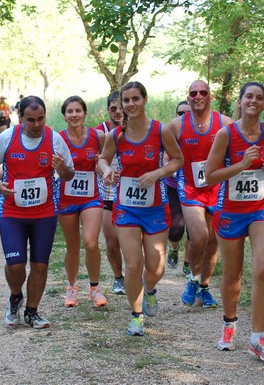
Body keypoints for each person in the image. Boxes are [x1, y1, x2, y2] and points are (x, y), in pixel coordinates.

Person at [205, 82, 264, 361]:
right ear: (240, 102)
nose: (253, 101)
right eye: (248, 97)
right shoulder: (225, 134)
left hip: (263, 207)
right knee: (232, 275)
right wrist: (241, 164)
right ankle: (229, 324)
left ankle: (257, 337)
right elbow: (210, 175)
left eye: (259, 98)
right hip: (230, 210)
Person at [98, 81, 183, 336]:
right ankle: (136, 315)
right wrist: (106, 170)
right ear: (121, 104)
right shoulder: (117, 135)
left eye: (135, 99)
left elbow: (178, 159)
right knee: (133, 263)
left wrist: (158, 172)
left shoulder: (160, 131)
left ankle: (151, 288)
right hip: (126, 207)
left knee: (156, 266)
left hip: (155, 207)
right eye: (126, 100)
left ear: (145, 100)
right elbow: (102, 158)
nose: (131, 104)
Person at [0, 95, 75, 329]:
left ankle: (32, 312)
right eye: (31, 120)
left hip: (44, 213)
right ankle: (16, 296)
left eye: (41, 119)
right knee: (15, 265)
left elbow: (70, 175)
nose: (36, 125)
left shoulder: (55, 140)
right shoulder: (6, 138)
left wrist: (62, 167)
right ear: (20, 118)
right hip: (12, 212)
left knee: (39, 265)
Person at [169, 80, 232, 308]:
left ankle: (204, 288)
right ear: (188, 97)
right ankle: (193, 280)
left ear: (210, 96)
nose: (198, 96)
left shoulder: (224, 123)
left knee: (213, 242)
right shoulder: (177, 125)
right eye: (193, 92)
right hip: (190, 187)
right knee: (199, 236)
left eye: (203, 92)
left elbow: (240, 145)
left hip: (217, 188)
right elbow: (161, 150)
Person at [58, 96, 107, 308]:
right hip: (66, 198)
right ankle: (71, 287)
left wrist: (103, 168)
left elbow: (106, 160)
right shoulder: (57, 139)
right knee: (73, 247)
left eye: (78, 110)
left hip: (91, 197)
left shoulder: (99, 136)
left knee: (91, 242)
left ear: (85, 113)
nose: (74, 115)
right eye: (70, 111)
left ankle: (95, 288)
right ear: (64, 115)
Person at [94, 92, 126, 295]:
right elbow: (95, 160)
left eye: (120, 108)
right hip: (107, 190)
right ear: (108, 110)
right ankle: (118, 278)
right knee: (111, 239)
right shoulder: (100, 132)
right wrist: (105, 172)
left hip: (132, 191)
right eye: (113, 108)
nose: (118, 112)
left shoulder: (136, 129)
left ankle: (135, 272)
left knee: (135, 239)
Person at [166, 101, 190, 274]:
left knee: (195, 231)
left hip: (195, 188)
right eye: (180, 113)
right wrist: (170, 168)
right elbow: (164, 157)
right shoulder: (170, 132)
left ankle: (188, 263)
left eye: (188, 113)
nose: (184, 117)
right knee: (176, 229)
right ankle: (174, 248)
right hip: (173, 185)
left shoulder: (202, 131)